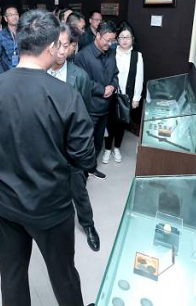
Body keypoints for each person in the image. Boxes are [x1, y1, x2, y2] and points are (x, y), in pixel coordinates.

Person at [0, 9, 96, 306]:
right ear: (51, 47)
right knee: (64, 275)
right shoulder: (66, 95)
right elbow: (85, 156)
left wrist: (11, 147)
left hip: (6, 202)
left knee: (12, 276)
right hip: (51, 206)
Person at [48, 24, 100, 252]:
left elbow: (86, 115)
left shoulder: (80, 76)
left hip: (71, 147)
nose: (61, 50)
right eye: (57, 45)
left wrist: (83, 151)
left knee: (79, 189)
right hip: (46, 146)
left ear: (72, 47)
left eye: (66, 45)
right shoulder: (39, 74)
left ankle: (88, 225)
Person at [75, 20, 119, 179]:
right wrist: (102, 90)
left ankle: (91, 167)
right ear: (98, 35)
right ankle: (81, 173)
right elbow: (82, 81)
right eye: (107, 40)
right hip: (90, 107)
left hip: (106, 107)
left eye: (113, 40)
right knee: (86, 142)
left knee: (98, 141)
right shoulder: (82, 56)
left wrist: (112, 86)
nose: (110, 44)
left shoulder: (112, 52)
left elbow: (115, 74)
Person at [103, 23, 144, 163]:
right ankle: (107, 149)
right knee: (109, 122)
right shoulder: (111, 53)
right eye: (122, 37)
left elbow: (139, 78)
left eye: (128, 37)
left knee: (121, 123)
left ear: (132, 39)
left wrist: (136, 98)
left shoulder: (137, 56)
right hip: (110, 94)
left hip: (126, 96)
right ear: (117, 39)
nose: (125, 40)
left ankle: (116, 148)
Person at [0, 6, 20, 74]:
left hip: (23, 72)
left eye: (16, 14)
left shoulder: (24, 33)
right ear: (5, 18)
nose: (14, 17)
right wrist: (4, 76)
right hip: (8, 73)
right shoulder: (0, 36)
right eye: (10, 15)